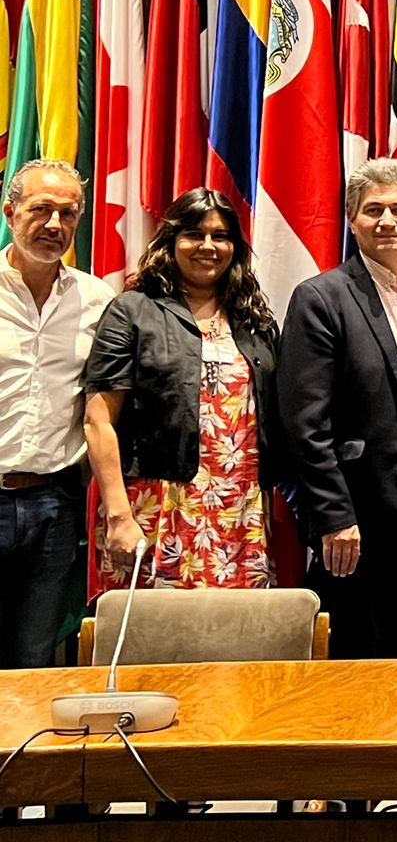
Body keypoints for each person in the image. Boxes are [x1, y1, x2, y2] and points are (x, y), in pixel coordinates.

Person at [278, 159, 397, 658]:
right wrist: (334, 517)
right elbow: (305, 424)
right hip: (357, 522)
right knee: (359, 660)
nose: (387, 220)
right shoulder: (321, 298)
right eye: (373, 210)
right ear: (352, 219)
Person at [84, 189, 281, 593]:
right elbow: (98, 420)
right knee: (153, 628)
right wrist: (119, 514)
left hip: (239, 510)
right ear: (171, 240)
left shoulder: (253, 319)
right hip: (154, 507)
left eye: (221, 236)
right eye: (194, 234)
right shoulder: (132, 310)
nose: (208, 246)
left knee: (234, 629)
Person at [0, 161, 114, 667]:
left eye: (68, 214)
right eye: (41, 209)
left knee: (34, 656)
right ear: (10, 213)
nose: (54, 224)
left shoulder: (96, 300)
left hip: (55, 503)